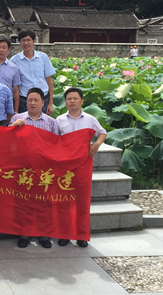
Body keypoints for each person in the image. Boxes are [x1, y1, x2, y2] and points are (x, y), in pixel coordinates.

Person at [56, 87, 107, 248]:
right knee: (64, 200)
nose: (72, 101)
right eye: (69, 99)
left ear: (81, 101)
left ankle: (81, 235)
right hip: (65, 164)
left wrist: (96, 144)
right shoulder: (59, 120)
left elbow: (102, 132)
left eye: (75, 98)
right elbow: (54, 140)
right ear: (65, 102)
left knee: (82, 200)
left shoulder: (90, 119)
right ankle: (64, 234)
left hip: (83, 164)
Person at [9, 87, 57, 249]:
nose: (33, 103)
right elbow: (5, 140)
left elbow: (56, 145)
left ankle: (43, 234)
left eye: (36, 100)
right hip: (23, 168)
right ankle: (24, 233)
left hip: (44, 168)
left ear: (43, 103)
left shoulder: (51, 122)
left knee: (43, 202)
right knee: (23, 201)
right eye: (30, 100)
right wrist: (13, 128)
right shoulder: (17, 118)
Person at [10, 30, 55, 115]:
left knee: (42, 122)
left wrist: (50, 103)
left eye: (28, 40)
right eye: (23, 40)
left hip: (43, 98)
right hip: (25, 100)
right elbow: (14, 84)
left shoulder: (43, 57)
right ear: (19, 42)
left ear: (34, 41)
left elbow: (49, 80)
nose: (26, 43)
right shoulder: (14, 60)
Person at [0, 36, 21, 113]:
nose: (1, 50)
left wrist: (16, 111)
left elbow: (16, 91)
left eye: (4, 47)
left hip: (7, 104)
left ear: (8, 50)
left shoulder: (14, 68)